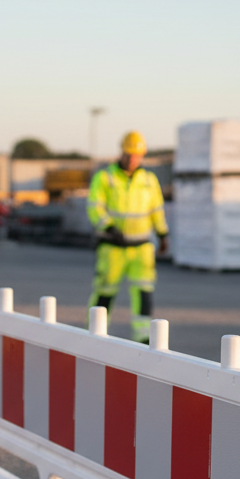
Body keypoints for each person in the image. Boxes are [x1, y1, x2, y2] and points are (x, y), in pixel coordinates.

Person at [87, 131, 170, 344]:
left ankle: (143, 337)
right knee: (105, 291)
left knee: (143, 291)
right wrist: (109, 227)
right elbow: (94, 207)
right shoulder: (105, 177)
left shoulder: (149, 180)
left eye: (137, 155)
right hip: (112, 246)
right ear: (122, 152)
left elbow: (156, 210)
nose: (133, 159)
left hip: (141, 248)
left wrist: (162, 235)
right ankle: (95, 334)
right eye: (130, 154)